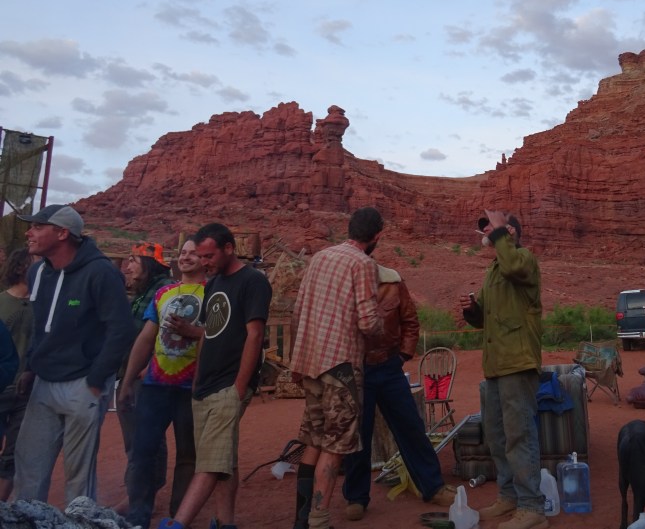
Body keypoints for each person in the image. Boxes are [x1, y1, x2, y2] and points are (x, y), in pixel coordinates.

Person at [14, 204, 136, 503]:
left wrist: (96, 379)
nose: (29, 233)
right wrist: (30, 368)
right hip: (44, 381)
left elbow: (121, 329)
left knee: (78, 474)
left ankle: (78, 520)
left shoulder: (101, 272)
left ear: (62, 233)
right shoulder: (37, 272)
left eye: (38, 226)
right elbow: (40, 326)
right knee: (29, 464)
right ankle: (27, 520)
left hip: (83, 383)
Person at [157, 223, 271, 529]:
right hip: (205, 384)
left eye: (209, 256)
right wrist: (198, 378)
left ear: (229, 249)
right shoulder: (214, 284)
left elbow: (255, 334)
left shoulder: (253, 281)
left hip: (229, 384)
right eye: (201, 256)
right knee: (222, 460)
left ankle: (178, 523)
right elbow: (209, 332)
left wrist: (239, 387)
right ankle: (225, 522)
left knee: (209, 463)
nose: (204, 262)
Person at [289, 206, 384, 529]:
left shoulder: (319, 258)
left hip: (310, 362)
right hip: (341, 367)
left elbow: (298, 311)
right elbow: (368, 322)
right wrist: (381, 325)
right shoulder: (363, 264)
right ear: (376, 236)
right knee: (336, 444)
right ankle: (318, 519)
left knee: (314, 440)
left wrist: (297, 360)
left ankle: (301, 519)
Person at [341, 259, 456, 521]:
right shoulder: (345, 285)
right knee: (359, 433)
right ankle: (356, 497)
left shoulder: (393, 281)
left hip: (389, 367)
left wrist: (403, 355)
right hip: (357, 369)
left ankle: (432, 486)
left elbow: (410, 321)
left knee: (410, 426)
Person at [459, 209, 546, 529]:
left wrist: (500, 236)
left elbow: (512, 265)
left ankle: (532, 507)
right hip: (495, 366)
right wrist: (472, 310)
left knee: (519, 434)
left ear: (509, 232)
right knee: (497, 436)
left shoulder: (523, 259)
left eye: (493, 228)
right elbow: (483, 319)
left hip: (517, 362)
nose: (486, 232)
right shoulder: (494, 271)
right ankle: (509, 496)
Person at [120, 238, 206, 529]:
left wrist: (192, 331)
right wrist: (127, 381)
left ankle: (176, 518)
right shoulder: (164, 293)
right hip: (155, 384)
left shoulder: (213, 293)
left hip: (191, 388)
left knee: (188, 456)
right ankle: (137, 517)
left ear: (205, 259)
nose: (186, 257)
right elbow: (147, 338)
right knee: (142, 451)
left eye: (194, 253)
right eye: (183, 253)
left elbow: (219, 335)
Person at [117, 242, 174, 515]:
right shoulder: (142, 294)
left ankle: (140, 497)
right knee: (136, 438)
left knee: (146, 438)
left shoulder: (165, 290)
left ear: (149, 264)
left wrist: (150, 363)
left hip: (149, 378)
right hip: (131, 374)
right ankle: (138, 492)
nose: (127, 266)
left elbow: (171, 333)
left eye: (133, 261)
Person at [0, 248, 34, 500]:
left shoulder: (44, 305)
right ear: (22, 267)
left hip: (27, 393)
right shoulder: (1, 303)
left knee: (14, 453)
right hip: (2, 387)